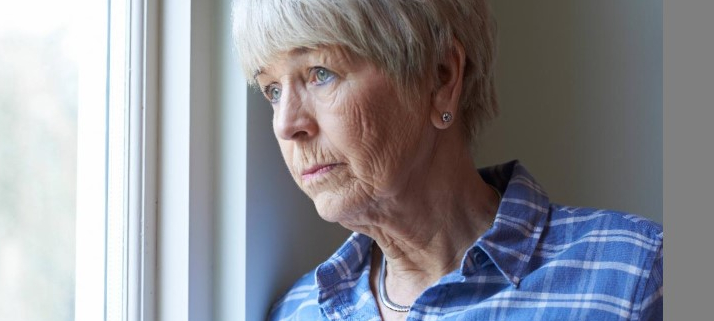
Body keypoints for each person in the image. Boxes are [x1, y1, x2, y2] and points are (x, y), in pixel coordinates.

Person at [231, 0, 663, 320]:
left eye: (320, 73)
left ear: (440, 77)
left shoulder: (634, 274)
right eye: (271, 90)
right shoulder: (296, 312)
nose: (286, 124)